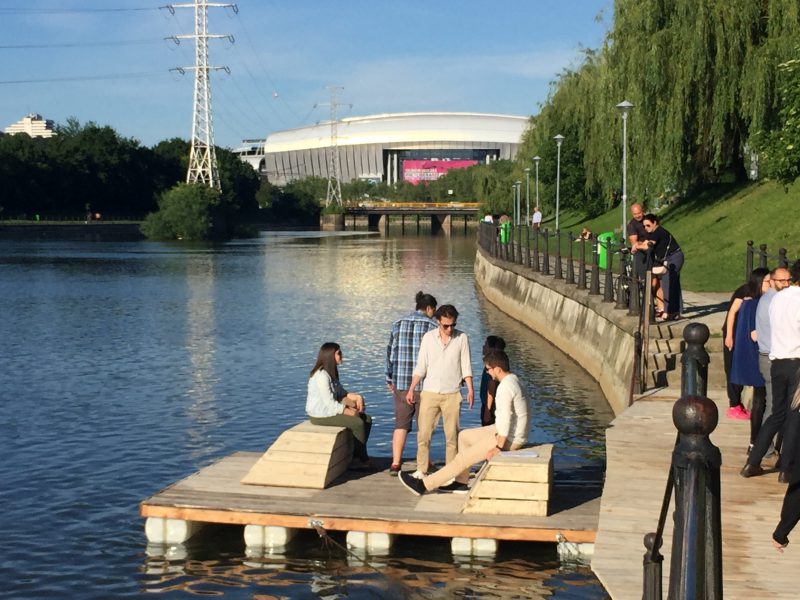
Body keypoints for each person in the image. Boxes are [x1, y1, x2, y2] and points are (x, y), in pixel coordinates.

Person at [399, 349, 529, 495]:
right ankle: (461, 482)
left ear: (498, 369)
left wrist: (498, 447)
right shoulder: (514, 380)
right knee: (464, 436)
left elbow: (505, 419)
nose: (487, 372)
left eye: (488, 369)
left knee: (463, 458)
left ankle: (423, 485)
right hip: (503, 431)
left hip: (509, 439)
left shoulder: (505, 388)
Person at [741, 260, 800, 481]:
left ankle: (753, 462)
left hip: (777, 362)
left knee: (777, 414)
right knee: (794, 414)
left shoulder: (777, 298)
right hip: (796, 362)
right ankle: (787, 468)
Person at [406, 304, 473, 477]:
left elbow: (466, 366)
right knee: (424, 434)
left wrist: (470, 390)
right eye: (446, 325)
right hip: (430, 392)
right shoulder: (428, 338)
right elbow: (421, 366)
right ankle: (421, 469)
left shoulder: (462, 338)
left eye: (453, 325)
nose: (450, 329)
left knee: (452, 436)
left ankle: (451, 472)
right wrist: (411, 389)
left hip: (452, 393)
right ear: (438, 322)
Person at [385, 291, 439, 475]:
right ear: (429, 308)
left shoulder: (397, 324)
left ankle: (395, 463)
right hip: (425, 384)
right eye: (434, 310)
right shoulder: (433, 327)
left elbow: (390, 353)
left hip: (401, 382)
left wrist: (389, 377)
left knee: (401, 424)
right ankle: (424, 462)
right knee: (424, 426)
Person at [306, 342, 372, 468]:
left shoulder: (331, 373)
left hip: (330, 411)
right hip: (320, 415)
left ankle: (356, 456)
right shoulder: (321, 376)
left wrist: (358, 398)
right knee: (357, 423)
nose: (342, 356)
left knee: (367, 419)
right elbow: (329, 404)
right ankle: (362, 459)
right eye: (339, 353)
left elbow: (342, 394)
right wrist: (348, 411)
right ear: (330, 356)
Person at [730, 268, 770, 451]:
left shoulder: (749, 303)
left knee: (760, 400)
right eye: (768, 282)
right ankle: (755, 442)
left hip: (755, 357)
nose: (772, 285)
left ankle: (755, 442)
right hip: (760, 358)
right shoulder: (756, 304)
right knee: (761, 401)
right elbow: (755, 334)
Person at [755, 267, 792, 457]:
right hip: (771, 358)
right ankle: (764, 448)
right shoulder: (773, 301)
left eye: (788, 280)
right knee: (774, 406)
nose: (786, 284)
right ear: (771, 281)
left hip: (771, 356)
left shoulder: (771, 299)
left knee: (776, 405)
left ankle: (768, 446)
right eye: (781, 281)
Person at [723, 269, 766, 420]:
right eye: (768, 281)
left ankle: (739, 404)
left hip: (748, 333)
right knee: (733, 366)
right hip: (736, 332)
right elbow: (732, 312)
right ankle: (734, 404)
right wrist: (729, 335)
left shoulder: (765, 295)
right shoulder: (745, 292)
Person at [642, 213, 683, 321]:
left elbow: (647, 245)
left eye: (648, 225)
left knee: (667, 282)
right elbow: (646, 243)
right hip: (667, 259)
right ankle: (676, 311)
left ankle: (668, 311)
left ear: (655, 223)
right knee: (672, 283)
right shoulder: (652, 233)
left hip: (674, 257)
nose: (646, 228)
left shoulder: (658, 232)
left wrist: (636, 246)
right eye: (644, 226)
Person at [479, 335, 507, 426]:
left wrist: (487, 410)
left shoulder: (492, 365)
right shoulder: (495, 363)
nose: (483, 347)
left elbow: (492, 386)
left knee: (488, 428)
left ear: (492, 348)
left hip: (490, 406)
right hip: (490, 404)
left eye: (486, 345)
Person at [626, 203, 648, 281]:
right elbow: (634, 243)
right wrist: (645, 243)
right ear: (632, 214)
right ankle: (643, 279)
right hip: (641, 249)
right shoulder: (631, 225)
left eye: (639, 213)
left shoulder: (649, 220)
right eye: (635, 214)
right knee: (638, 254)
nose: (637, 216)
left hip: (653, 246)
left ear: (643, 211)